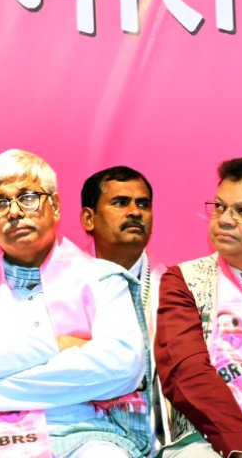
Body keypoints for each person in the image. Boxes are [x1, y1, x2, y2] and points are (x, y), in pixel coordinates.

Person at [0, 149, 150, 458]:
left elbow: (123, 366)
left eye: (28, 197)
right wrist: (55, 344)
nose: (14, 212)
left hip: (81, 432)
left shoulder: (103, 278)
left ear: (54, 206)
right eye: (0, 202)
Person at [156, 151, 242, 457]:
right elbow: (186, 372)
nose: (225, 219)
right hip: (205, 442)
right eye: (220, 207)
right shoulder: (183, 280)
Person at [80, 166, 165, 454]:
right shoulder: (64, 289)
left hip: (164, 440)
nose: (135, 212)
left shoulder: (176, 289)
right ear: (88, 218)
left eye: (143, 204)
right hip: (86, 435)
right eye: (120, 202)